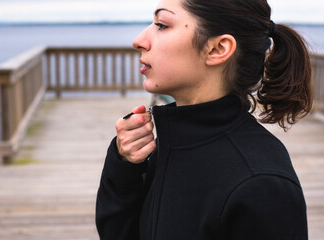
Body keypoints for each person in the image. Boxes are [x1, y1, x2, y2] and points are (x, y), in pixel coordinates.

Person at [96, 0, 312, 239]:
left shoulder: (262, 184)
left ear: (218, 49)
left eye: (162, 24)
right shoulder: (170, 144)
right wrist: (124, 168)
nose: (139, 40)